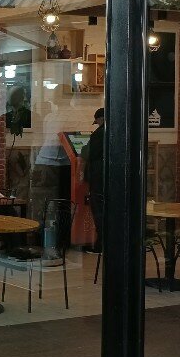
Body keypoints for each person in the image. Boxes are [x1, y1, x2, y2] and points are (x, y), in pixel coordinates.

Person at [84, 107, 105, 252]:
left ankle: (101, 244)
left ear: (101, 118)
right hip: (109, 177)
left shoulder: (99, 134)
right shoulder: (118, 130)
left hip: (98, 177)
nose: (97, 123)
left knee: (98, 209)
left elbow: (87, 153)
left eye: (97, 121)